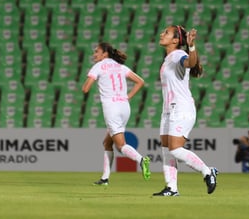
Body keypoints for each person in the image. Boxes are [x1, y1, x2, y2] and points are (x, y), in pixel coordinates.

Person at [152, 25, 218, 196]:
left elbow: (191, 62)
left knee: (174, 149)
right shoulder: (168, 58)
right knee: (166, 150)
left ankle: (207, 171)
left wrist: (192, 46)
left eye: (166, 32)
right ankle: (171, 188)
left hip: (181, 108)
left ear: (175, 40)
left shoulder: (178, 54)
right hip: (168, 109)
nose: (161, 33)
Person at [82, 42, 151, 186]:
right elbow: (140, 82)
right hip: (124, 107)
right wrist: (128, 96)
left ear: (104, 53)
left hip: (111, 108)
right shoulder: (121, 67)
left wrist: (86, 82)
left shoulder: (99, 66)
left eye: (97, 51)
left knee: (121, 145)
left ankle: (141, 160)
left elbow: (86, 89)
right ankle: (105, 178)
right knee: (107, 142)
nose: (94, 54)